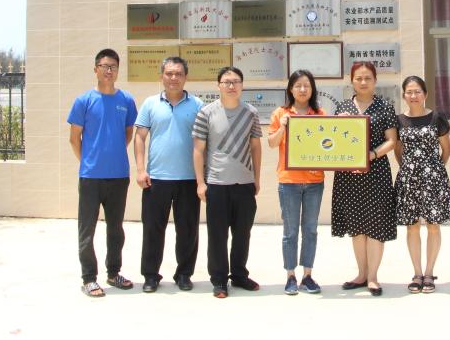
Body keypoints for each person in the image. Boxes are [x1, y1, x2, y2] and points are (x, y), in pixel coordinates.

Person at [67, 48, 138, 298]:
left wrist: (112, 153)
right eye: (104, 66)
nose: (109, 71)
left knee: (116, 229)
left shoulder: (126, 100)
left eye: (113, 67)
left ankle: (113, 272)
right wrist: (88, 160)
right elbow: (74, 138)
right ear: (95, 69)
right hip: (90, 177)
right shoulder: (83, 101)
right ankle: (89, 278)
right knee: (87, 229)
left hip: (118, 175)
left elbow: (128, 133)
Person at [133, 56, 203, 293]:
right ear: (162, 76)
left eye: (178, 73)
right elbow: (140, 137)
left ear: (186, 77)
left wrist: (202, 178)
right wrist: (140, 170)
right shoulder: (150, 103)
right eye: (169, 73)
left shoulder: (197, 105)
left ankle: (184, 274)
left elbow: (203, 142)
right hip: (156, 179)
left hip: (188, 179)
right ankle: (150, 275)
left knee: (188, 231)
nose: (174, 78)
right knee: (152, 230)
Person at [192, 66, 262, 298]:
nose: (231, 86)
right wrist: (200, 183)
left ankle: (239, 275)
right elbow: (198, 150)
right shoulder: (206, 113)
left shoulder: (251, 113)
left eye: (236, 81)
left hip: (244, 184)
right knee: (217, 236)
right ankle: (219, 279)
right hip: (217, 184)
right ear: (219, 85)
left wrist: (256, 178)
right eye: (226, 82)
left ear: (242, 85)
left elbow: (255, 147)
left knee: (243, 234)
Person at [332, 61, 399, 296]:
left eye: (367, 78)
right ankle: (361, 274)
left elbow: (392, 141)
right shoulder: (342, 107)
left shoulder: (384, 107)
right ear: (351, 81)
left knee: (375, 226)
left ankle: (373, 277)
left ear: (375, 81)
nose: (363, 82)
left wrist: (370, 155)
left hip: (376, 173)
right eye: (358, 78)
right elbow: (333, 140)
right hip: (348, 176)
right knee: (357, 227)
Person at [393, 75, 450, 294]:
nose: (413, 96)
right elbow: (398, 150)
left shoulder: (436, 118)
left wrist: (434, 169)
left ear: (425, 94)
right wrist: (410, 169)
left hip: (433, 180)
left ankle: (429, 273)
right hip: (408, 179)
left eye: (417, 91)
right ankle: (417, 273)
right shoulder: (399, 120)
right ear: (404, 95)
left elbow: (446, 149)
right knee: (412, 226)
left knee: (433, 225)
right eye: (409, 92)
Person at [268, 69, 326, 295]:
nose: (303, 89)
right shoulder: (280, 113)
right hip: (289, 182)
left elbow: (327, 146)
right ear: (290, 89)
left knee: (310, 230)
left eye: (307, 85)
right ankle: (290, 276)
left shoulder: (320, 114)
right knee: (290, 231)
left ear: (312, 89)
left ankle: (307, 276)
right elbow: (272, 143)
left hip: (314, 182)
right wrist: (283, 126)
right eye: (298, 85)